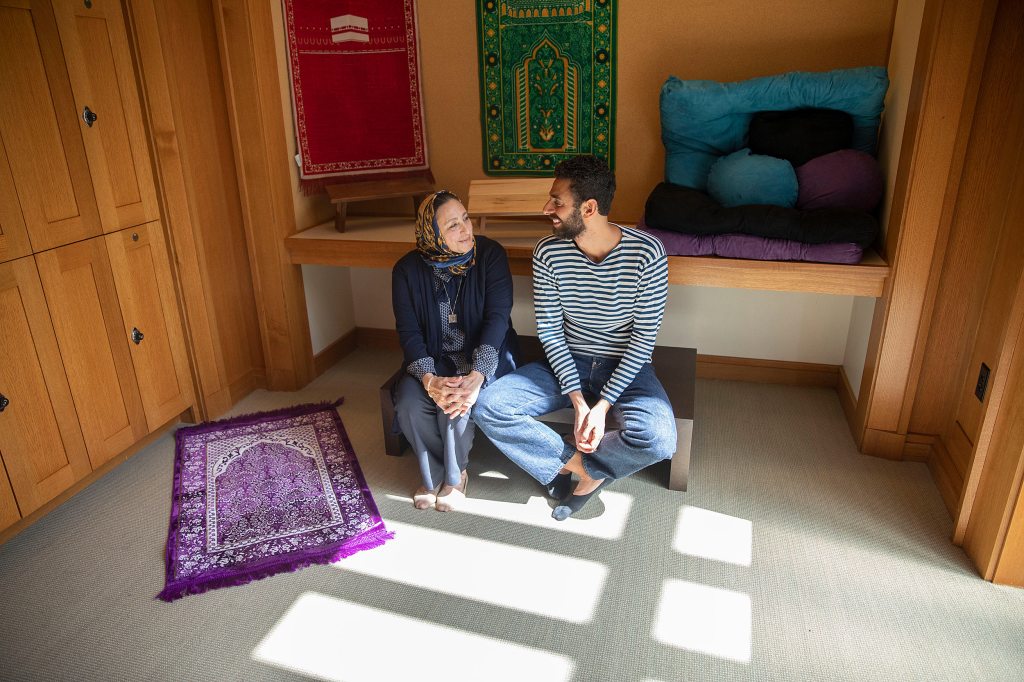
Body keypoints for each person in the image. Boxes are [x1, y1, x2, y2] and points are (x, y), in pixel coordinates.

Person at [474, 156, 676, 520]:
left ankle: (582, 473)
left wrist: (603, 406)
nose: (546, 208)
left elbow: (644, 339)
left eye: (557, 201)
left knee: (659, 438)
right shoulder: (548, 252)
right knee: (489, 404)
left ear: (590, 207)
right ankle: (579, 468)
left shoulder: (648, 253)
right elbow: (550, 332)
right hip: (569, 359)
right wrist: (580, 403)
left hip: (625, 365)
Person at [391, 190, 518, 511]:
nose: (466, 229)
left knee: (457, 401)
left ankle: (455, 473)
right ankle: (434, 475)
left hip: (486, 355)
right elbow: (409, 331)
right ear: (431, 234)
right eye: (452, 226)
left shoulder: (490, 255)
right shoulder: (406, 271)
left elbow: (498, 318)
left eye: (466, 219)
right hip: (433, 359)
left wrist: (478, 375)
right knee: (408, 401)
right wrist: (429, 379)